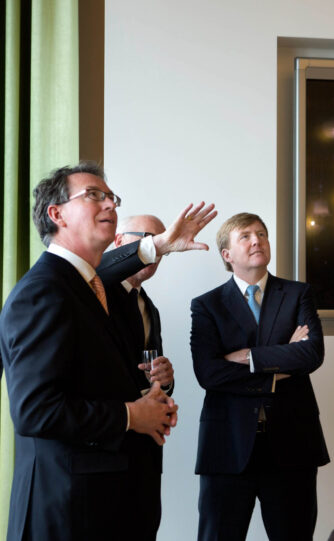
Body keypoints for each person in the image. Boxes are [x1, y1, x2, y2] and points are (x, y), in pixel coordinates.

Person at [0, 162, 216, 541]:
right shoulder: (43, 292)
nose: (110, 205)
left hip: (113, 503)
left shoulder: (94, 287)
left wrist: (151, 398)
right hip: (67, 511)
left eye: (112, 197)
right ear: (56, 214)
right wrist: (131, 415)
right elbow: (35, 411)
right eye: (94, 195)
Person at [191, 212, 329, 541]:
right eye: (246, 236)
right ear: (227, 255)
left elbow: (311, 354)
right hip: (227, 446)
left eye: (262, 234)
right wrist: (280, 362)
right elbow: (208, 373)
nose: (257, 241)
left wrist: (249, 357)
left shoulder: (298, 294)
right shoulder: (207, 305)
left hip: (292, 445)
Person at [98, 214, 176, 539]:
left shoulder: (150, 307)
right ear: (119, 242)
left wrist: (166, 379)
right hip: (105, 448)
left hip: (146, 456)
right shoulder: (95, 288)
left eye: (161, 244)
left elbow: (147, 376)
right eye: (146, 239)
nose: (156, 250)